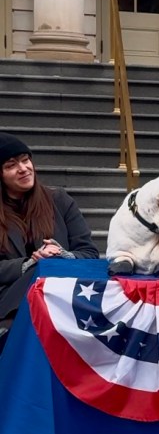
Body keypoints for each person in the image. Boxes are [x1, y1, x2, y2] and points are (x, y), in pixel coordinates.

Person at [0, 134, 99, 346]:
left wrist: (61, 255)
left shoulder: (59, 200)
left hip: (61, 295)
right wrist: (28, 264)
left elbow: (89, 253)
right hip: (8, 298)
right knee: (38, 270)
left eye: (26, 160)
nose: (23, 168)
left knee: (45, 268)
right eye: (11, 165)